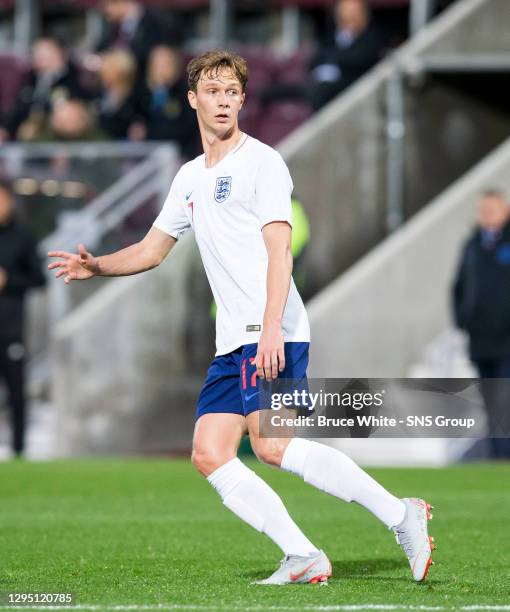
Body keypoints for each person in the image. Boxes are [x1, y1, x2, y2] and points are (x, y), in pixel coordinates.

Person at [48, 50, 434, 585]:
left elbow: (281, 251)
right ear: (193, 100)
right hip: (232, 341)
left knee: (272, 445)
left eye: (232, 91)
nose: (223, 100)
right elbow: (152, 250)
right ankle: (303, 555)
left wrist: (272, 326)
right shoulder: (188, 178)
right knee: (210, 453)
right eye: (213, 90)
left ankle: (400, 514)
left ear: (243, 100)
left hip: (273, 330)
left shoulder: (263, 162)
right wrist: (98, 267)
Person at [453, 189, 510, 458]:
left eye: (492, 210)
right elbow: (458, 287)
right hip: (480, 341)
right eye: (483, 210)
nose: (487, 215)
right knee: (490, 404)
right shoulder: (472, 245)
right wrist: (463, 320)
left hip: (507, 342)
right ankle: (497, 458)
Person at [262, 0, 386, 112]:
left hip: (347, 86)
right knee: (274, 91)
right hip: (317, 81)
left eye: (353, 13)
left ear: (364, 15)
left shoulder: (372, 37)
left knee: (319, 92)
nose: (349, 17)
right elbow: (314, 61)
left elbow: (360, 61)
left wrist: (334, 59)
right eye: (345, 12)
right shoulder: (330, 35)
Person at [0, 181, 46, 457]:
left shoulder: (23, 237)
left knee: (16, 391)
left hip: (10, 327)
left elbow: (39, 279)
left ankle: (19, 449)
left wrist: (8, 282)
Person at [0, 37, 88, 143]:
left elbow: (71, 115)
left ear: (62, 53)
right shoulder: (30, 80)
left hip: (58, 141)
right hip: (24, 142)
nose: (41, 57)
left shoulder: (75, 80)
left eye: (47, 52)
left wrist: (38, 127)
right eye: (38, 53)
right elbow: (18, 109)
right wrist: (5, 129)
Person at [131, 46, 198, 158]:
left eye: (165, 65)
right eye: (156, 65)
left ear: (175, 66)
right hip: (144, 154)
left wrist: (148, 132)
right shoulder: (142, 92)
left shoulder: (185, 93)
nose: (160, 70)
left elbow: (185, 128)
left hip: (178, 155)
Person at [94, 0, 181, 71]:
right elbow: (100, 48)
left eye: (106, 6)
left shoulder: (154, 21)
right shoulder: (115, 26)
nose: (106, 12)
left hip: (142, 79)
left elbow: (151, 55)